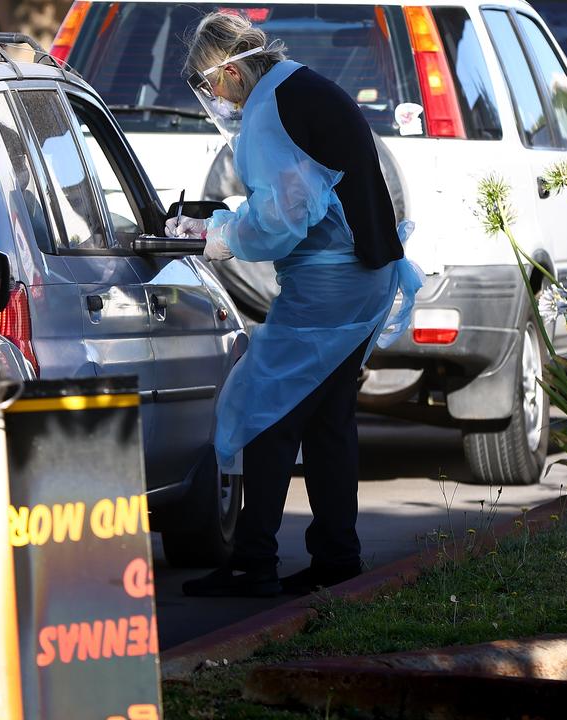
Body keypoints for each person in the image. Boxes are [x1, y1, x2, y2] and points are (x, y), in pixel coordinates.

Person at [168, 12, 423, 597]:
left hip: (330, 283)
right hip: (370, 273)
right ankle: (337, 557)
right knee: (330, 419)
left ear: (230, 71)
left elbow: (287, 215)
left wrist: (221, 237)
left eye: (209, 87)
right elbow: (310, 191)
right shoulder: (298, 83)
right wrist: (232, 218)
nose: (213, 100)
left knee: (265, 408)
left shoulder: (266, 112)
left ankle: (253, 560)